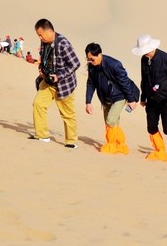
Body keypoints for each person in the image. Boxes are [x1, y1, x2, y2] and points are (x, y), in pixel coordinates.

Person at [132, 34, 167, 165]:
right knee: (151, 127)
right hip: (151, 99)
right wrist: (143, 97)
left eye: (145, 51)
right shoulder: (144, 60)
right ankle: (160, 151)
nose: (144, 54)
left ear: (151, 48)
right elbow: (144, 79)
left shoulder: (165, 58)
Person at [31, 19, 81, 148]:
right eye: (38, 35)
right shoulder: (44, 42)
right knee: (38, 104)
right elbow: (44, 58)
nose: (40, 37)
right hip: (47, 82)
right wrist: (41, 69)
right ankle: (42, 135)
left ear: (50, 31)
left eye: (41, 34)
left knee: (67, 114)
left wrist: (59, 76)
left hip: (64, 85)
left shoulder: (63, 44)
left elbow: (75, 64)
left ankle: (71, 142)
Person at [84, 43, 140, 155]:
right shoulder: (91, 67)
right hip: (105, 99)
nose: (90, 61)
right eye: (87, 58)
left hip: (119, 97)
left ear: (99, 54)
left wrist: (131, 100)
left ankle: (114, 144)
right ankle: (119, 145)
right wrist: (88, 102)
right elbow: (91, 83)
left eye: (91, 58)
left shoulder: (114, 65)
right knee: (109, 123)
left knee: (111, 120)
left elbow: (125, 83)